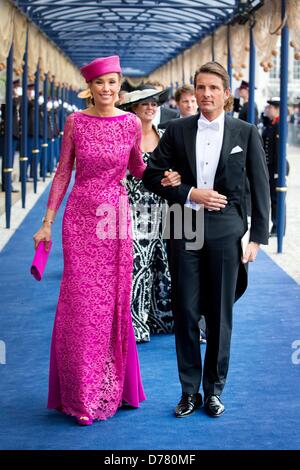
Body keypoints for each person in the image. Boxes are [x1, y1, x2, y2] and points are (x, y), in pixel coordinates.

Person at [33, 56, 180, 426]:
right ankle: (79, 393)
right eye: (101, 83)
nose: (107, 89)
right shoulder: (75, 123)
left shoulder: (130, 123)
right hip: (80, 218)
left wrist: (165, 179)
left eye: (113, 82)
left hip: (115, 220)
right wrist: (47, 222)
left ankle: (113, 386)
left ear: (120, 86)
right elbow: (64, 171)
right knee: (81, 304)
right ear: (90, 87)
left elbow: (137, 168)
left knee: (111, 304)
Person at [143, 61, 270, 418]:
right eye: (201, 87)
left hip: (225, 228)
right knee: (184, 311)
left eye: (214, 88)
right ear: (194, 91)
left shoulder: (244, 132)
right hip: (184, 224)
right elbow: (151, 174)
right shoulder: (176, 130)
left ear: (226, 94)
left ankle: (214, 390)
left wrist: (257, 236)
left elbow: (260, 186)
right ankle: (188, 392)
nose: (206, 94)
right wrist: (188, 192)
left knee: (218, 313)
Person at [119, 88, 175, 343]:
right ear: (133, 109)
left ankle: (161, 319)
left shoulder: (165, 136)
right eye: (145, 104)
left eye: (154, 104)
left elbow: (178, 169)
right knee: (137, 268)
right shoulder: (124, 138)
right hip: (132, 210)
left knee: (163, 265)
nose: (151, 108)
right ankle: (135, 326)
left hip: (163, 210)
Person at [262, 97, 289, 236]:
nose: (268, 110)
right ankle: (275, 226)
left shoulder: (280, 124)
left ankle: (278, 227)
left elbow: (279, 151)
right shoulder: (272, 123)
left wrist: (279, 171)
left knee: (277, 198)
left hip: (276, 168)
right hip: (270, 167)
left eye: (270, 108)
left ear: (277, 109)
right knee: (273, 198)